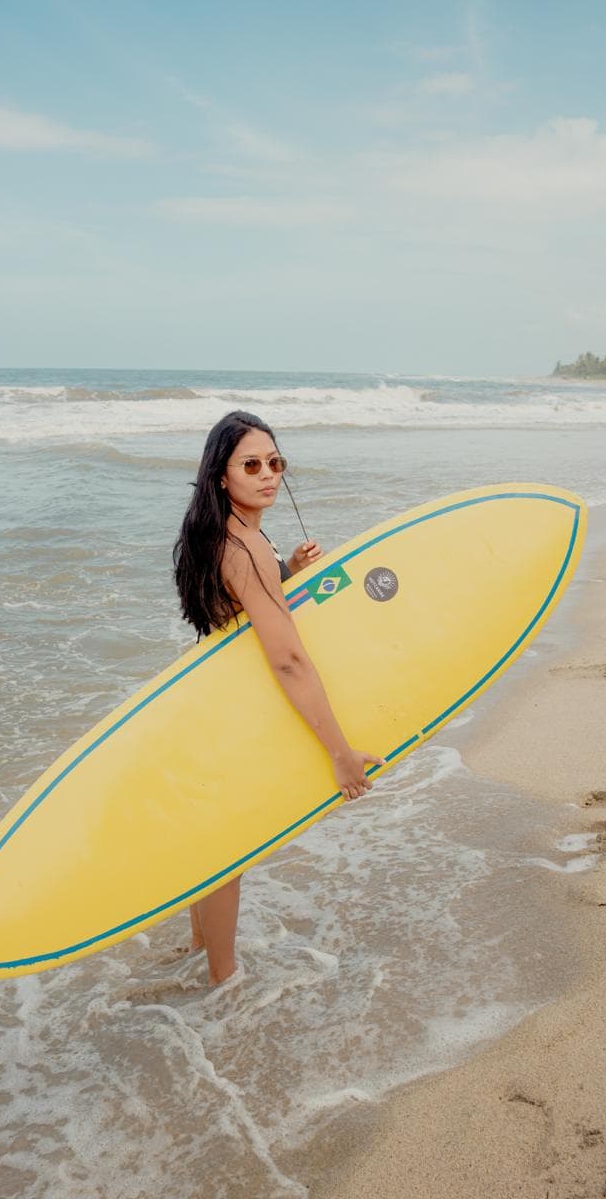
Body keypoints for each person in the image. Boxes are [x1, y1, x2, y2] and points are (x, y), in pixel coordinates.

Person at [173, 410, 382, 987]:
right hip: (234, 716)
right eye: (252, 465)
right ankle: (223, 982)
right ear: (222, 475)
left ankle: (197, 951)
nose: (268, 475)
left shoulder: (217, 536)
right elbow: (286, 658)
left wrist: (284, 569)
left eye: (275, 463)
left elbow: (229, 621)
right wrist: (339, 751)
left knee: (214, 843)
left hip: (209, 703)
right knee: (228, 851)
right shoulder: (244, 549)